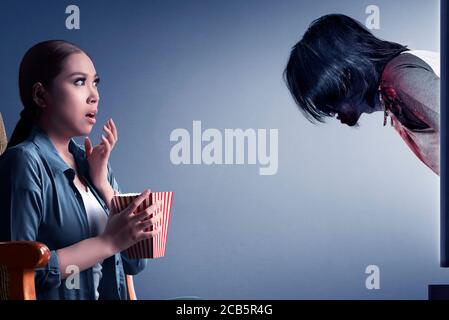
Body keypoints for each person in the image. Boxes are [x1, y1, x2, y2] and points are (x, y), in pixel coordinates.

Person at [0, 40, 163, 299]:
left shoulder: (95, 166)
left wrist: (104, 186)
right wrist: (107, 242)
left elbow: (135, 264)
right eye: (79, 82)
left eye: (95, 82)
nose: (94, 95)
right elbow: (21, 274)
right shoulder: (24, 163)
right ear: (41, 95)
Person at [284, 14, 440, 175]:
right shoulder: (394, 89)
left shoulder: (401, 79)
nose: (330, 112)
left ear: (345, 78)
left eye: (327, 100)